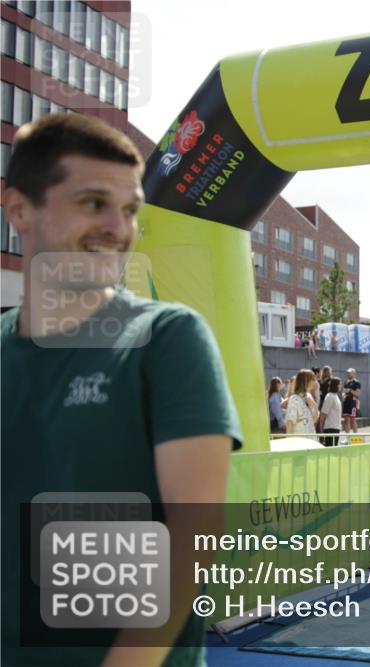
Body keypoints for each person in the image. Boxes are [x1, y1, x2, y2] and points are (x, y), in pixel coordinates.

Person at [1, 113, 241, 667]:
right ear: (19, 209)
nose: (118, 226)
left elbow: (195, 529)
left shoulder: (167, 337)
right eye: (93, 203)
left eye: (130, 209)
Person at [286, 369, 319, 437]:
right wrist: (289, 443)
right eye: (313, 379)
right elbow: (289, 423)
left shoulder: (308, 396)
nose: (315, 382)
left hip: (311, 442)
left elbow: (313, 421)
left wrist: (314, 405)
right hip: (299, 444)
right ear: (305, 381)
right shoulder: (294, 399)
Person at [319, 377, 343, 446]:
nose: (341, 386)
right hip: (330, 428)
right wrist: (321, 431)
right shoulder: (329, 396)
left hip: (336, 427)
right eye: (340, 384)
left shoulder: (336, 396)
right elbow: (323, 414)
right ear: (336, 385)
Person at [342, 368, 361, 433]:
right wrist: (343, 395)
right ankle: (347, 437)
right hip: (346, 403)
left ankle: (355, 436)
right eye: (347, 373)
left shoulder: (356, 382)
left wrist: (350, 390)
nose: (348, 374)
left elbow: (358, 394)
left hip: (353, 403)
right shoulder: (346, 382)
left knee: (353, 419)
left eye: (349, 373)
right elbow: (344, 391)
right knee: (346, 420)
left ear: (354, 373)